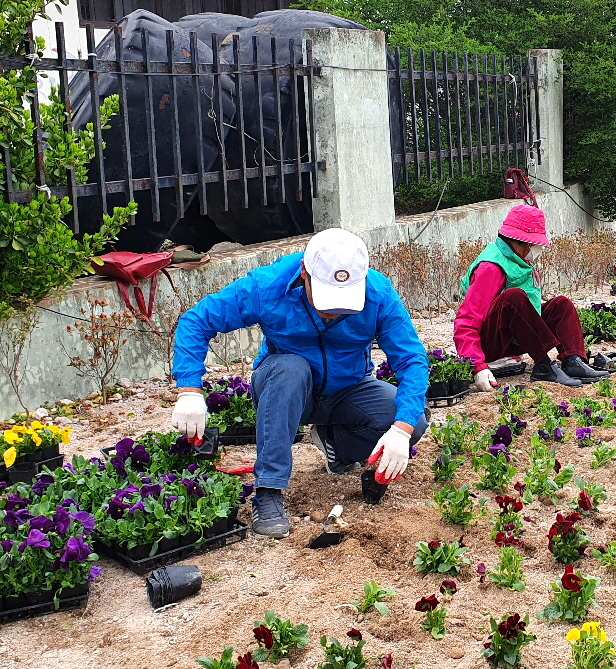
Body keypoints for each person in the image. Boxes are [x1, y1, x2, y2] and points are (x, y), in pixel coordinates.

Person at [171, 228, 429, 538]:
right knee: (290, 369)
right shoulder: (268, 286)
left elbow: (411, 358)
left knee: (413, 419)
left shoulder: (378, 294)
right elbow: (196, 321)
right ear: (304, 272)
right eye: (327, 298)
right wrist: (189, 391)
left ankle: (335, 446)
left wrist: (401, 431)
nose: (332, 312)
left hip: (347, 389)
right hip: (286, 389)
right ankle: (268, 492)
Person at [454, 204, 609, 392]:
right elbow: (466, 320)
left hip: (513, 339)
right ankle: (543, 365)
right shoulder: (491, 268)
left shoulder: (518, 259)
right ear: (524, 242)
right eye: (535, 244)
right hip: (491, 343)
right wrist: (477, 365)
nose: (538, 248)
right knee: (513, 297)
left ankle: (573, 360)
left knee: (561, 305)